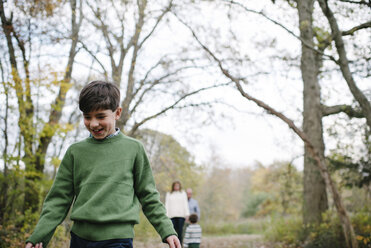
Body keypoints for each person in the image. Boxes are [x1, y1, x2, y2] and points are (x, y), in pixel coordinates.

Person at [25, 81, 181, 248]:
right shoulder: (75, 152)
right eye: (87, 117)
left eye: (100, 116)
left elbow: (148, 196)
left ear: (117, 113)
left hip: (117, 239)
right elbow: (58, 200)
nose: (93, 124)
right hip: (79, 239)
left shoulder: (134, 149)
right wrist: (38, 236)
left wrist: (167, 229)